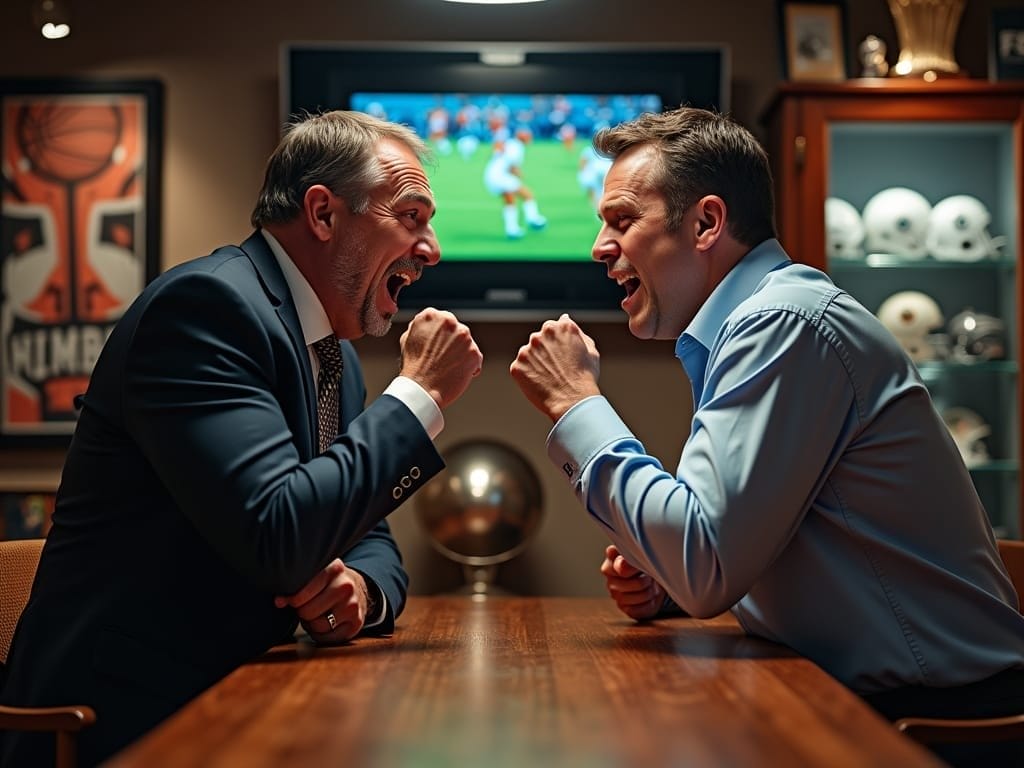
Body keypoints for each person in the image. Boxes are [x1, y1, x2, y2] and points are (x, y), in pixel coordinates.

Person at [509, 107, 1024, 752]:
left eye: (621, 220)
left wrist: (575, 400)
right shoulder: (754, 322)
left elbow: (707, 563)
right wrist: (663, 583)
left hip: (939, 728)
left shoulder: (783, 322)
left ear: (706, 223)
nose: (599, 247)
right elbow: (741, 546)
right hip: (863, 701)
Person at [0, 110, 483, 768]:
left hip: (246, 694)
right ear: (323, 214)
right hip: (123, 720)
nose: (432, 249)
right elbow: (278, 536)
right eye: (412, 216)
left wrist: (359, 596)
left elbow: (368, 536)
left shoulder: (329, 355)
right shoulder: (207, 309)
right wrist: (419, 392)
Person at [483, 125, 547, 239]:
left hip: (490, 175)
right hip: (501, 176)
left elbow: (496, 150)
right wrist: (518, 174)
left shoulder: (510, 143)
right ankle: (533, 219)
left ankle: (512, 230)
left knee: (509, 200)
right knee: (527, 194)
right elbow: (511, 164)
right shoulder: (517, 147)